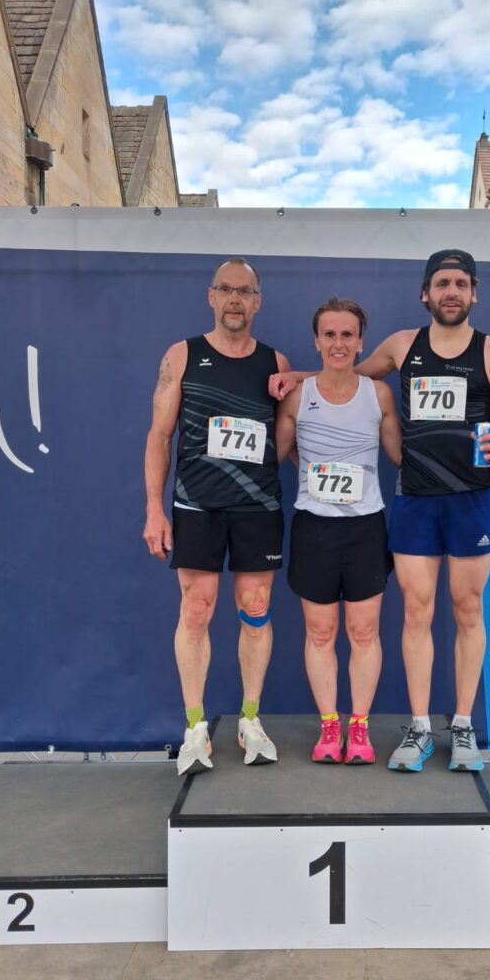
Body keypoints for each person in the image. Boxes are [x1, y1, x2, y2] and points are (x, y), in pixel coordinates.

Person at [270, 250, 490, 773]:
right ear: (425, 293)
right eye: (442, 283)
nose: (451, 291)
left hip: (471, 499)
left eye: (460, 283)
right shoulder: (403, 346)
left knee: (468, 610)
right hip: (415, 500)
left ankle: (462, 725)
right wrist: (300, 377)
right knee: (416, 612)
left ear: (473, 293)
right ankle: (420, 727)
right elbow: (347, 375)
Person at [144, 258, 291, 776]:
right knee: (196, 609)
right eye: (226, 289)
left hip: (257, 507)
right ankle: (195, 727)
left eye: (244, 291)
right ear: (211, 296)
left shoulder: (276, 362)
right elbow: (160, 435)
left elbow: (288, 435)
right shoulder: (182, 355)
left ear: (257, 302)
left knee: (256, 609)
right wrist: (154, 507)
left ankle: (250, 720)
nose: (234, 299)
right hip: (196, 505)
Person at [276, 298, 401, 764]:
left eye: (347, 334)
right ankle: (330, 726)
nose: (338, 343)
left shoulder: (378, 395)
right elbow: (275, 455)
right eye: (329, 334)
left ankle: (359, 727)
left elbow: (400, 456)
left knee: (364, 631)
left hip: (366, 528)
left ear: (361, 342)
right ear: (316, 341)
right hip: (314, 529)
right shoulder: (297, 397)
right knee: (321, 631)